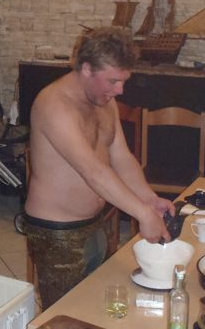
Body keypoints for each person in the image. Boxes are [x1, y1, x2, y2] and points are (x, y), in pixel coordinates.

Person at [24, 27, 173, 307]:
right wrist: (142, 214)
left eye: (123, 81)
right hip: (57, 233)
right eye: (113, 81)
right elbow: (93, 171)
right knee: (65, 316)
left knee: (95, 307)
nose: (120, 90)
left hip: (95, 223)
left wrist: (148, 198)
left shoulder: (105, 101)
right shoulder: (53, 104)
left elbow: (122, 157)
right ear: (87, 69)